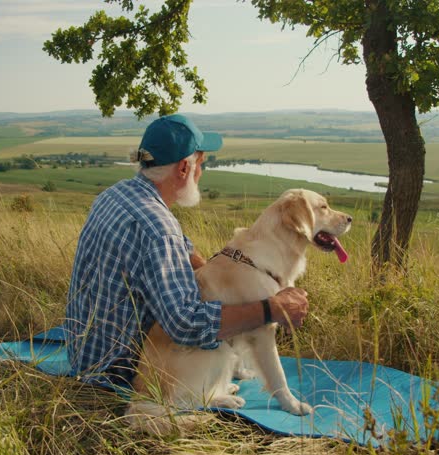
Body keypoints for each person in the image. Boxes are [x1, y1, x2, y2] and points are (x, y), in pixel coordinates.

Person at [64, 114, 309, 389]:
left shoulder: (118, 194)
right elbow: (186, 324)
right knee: (211, 339)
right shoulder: (157, 226)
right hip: (118, 371)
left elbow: (183, 248)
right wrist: (271, 309)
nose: (201, 173)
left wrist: (224, 274)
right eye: (201, 164)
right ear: (184, 168)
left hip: (84, 354)